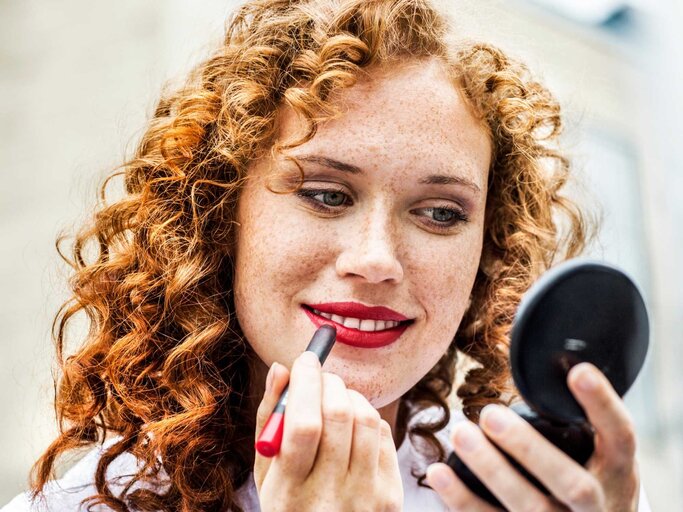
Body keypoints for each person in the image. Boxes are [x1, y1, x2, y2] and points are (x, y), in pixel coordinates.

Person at [2, 0, 650, 510]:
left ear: (489, 253)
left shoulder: (544, 496)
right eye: (325, 195)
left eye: (440, 212)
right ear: (219, 216)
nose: (375, 260)